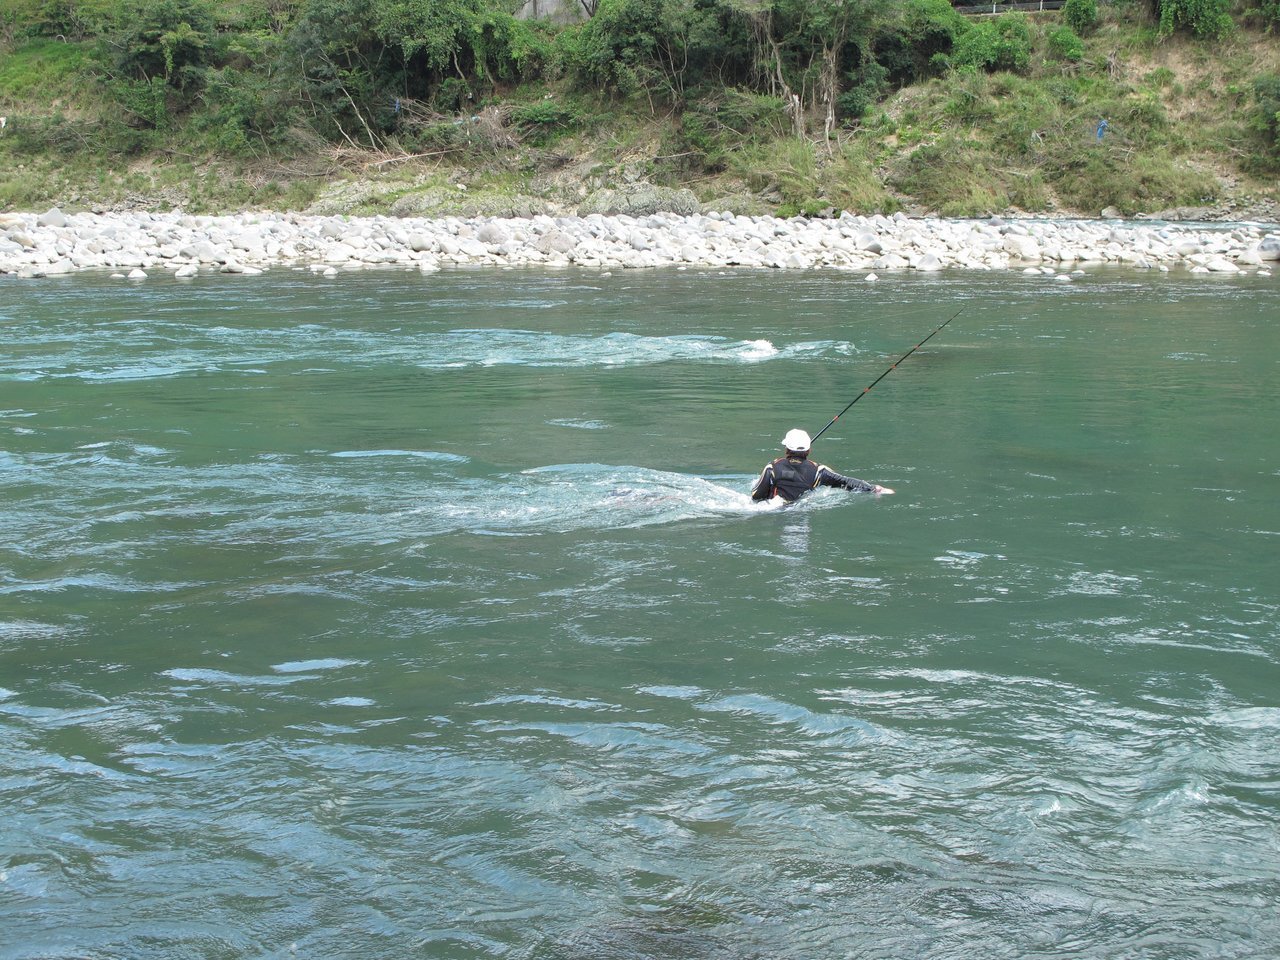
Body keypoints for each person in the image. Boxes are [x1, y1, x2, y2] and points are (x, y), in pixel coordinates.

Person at [750, 429, 893, 503]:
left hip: (772, 509)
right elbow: (846, 481)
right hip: (802, 509)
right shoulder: (819, 470)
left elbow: (756, 496)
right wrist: (874, 488)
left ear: (786, 448)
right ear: (809, 450)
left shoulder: (772, 466)